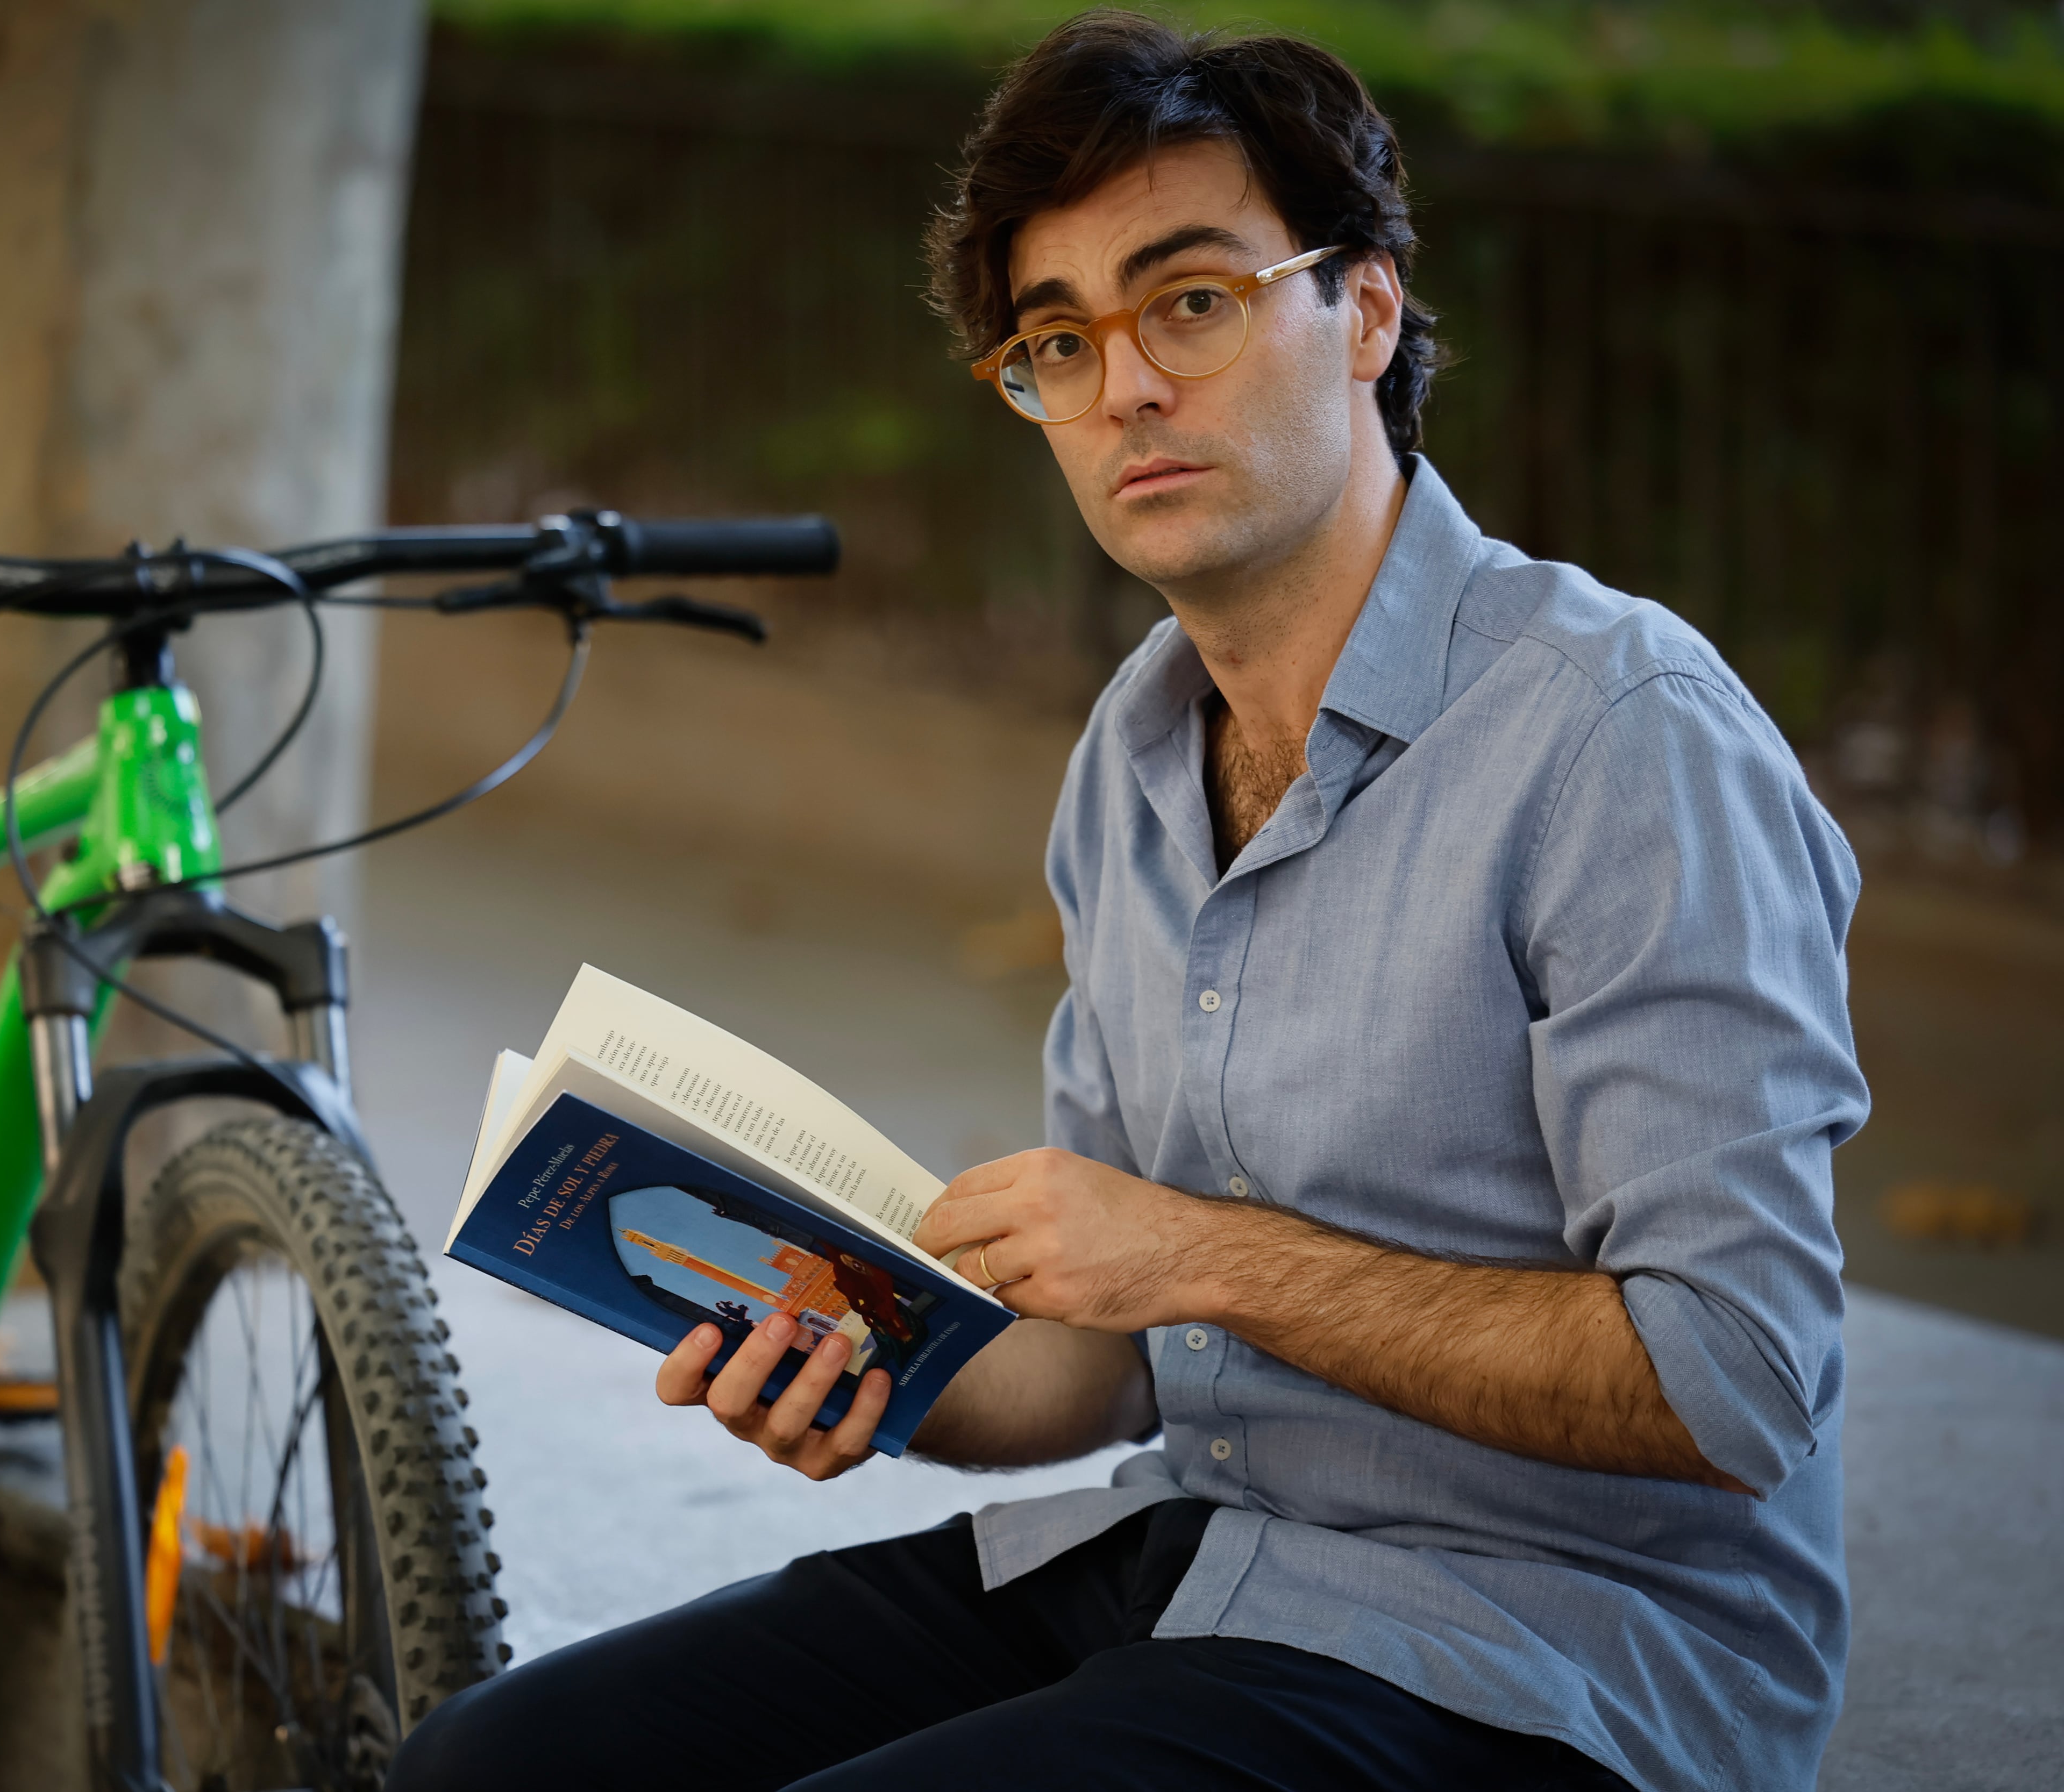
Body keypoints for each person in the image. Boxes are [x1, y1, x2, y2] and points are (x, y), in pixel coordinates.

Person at [388, 12, 1862, 1791]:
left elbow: (1733, 1378)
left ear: (1367, 313)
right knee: (495, 1769)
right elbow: (1104, 1367)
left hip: (1541, 1653)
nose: (1127, 391)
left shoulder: (1625, 739)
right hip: (1194, 1555)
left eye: (1192, 303)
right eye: (1057, 342)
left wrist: (1196, 1253)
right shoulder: (1140, 745)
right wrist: (866, 1373)